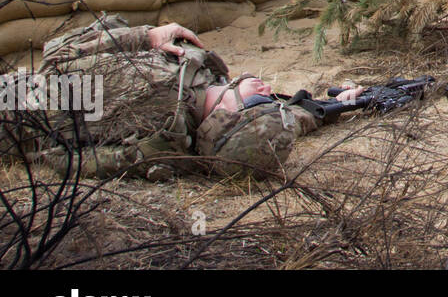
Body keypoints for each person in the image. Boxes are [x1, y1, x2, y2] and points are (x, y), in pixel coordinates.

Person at [0, 16, 364, 180]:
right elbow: (277, 124)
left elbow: (56, 56)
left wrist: (145, 36)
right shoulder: (196, 132)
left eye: (259, 102)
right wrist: (336, 105)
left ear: (224, 117)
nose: (268, 91)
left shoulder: (151, 93)